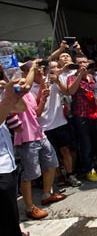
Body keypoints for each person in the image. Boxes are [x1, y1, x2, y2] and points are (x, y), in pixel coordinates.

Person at [15, 60, 67, 219]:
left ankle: (46, 194)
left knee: (52, 164)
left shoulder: (29, 93)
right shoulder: (17, 90)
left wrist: (43, 98)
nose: (39, 72)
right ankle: (29, 207)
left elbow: (36, 113)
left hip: (39, 134)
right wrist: (32, 69)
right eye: (34, 71)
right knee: (29, 174)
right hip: (26, 138)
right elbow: (24, 89)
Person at [36, 61, 81, 187]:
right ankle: (59, 176)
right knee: (52, 154)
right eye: (53, 68)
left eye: (57, 67)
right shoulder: (35, 84)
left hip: (60, 121)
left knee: (65, 150)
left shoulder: (57, 80)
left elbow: (67, 92)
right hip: (44, 125)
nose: (56, 69)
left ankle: (70, 174)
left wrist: (57, 81)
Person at [0, 75, 31, 236]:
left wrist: (15, 94)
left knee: (10, 222)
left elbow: (21, 107)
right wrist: (9, 97)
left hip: (7, 165)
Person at [67, 54, 97, 181]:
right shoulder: (72, 77)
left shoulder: (93, 77)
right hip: (81, 115)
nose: (83, 64)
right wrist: (80, 75)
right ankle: (88, 169)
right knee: (85, 144)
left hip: (94, 114)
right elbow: (71, 91)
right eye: (80, 62)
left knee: (96, 141)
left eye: (85, 62)